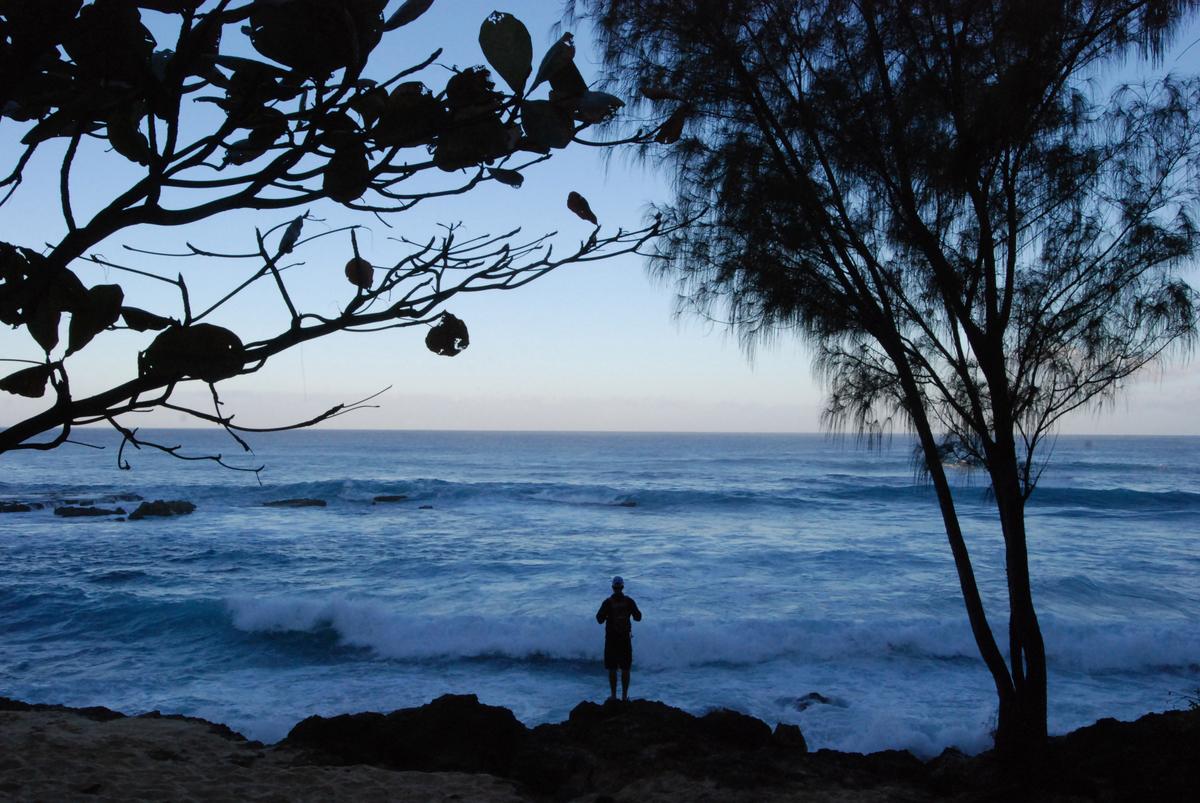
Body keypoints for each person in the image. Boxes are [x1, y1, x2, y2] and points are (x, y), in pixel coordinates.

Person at [596, 575, 642, 701]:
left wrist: (608, 616)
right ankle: (624, 697)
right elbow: (638, 617)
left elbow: (599, 619)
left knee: (612, 668)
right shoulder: (629, 601)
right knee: (625, 668)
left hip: (611, 640)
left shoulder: (607, 602)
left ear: (612, 587)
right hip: (625, 639)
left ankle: (613, 696)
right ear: (622, 587)